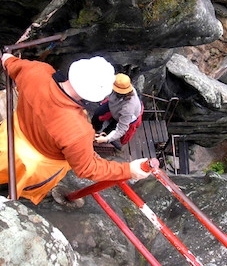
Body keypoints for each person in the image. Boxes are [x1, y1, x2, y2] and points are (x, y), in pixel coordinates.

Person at [0, 53, 150, 205]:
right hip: (38, 165)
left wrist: (7, 58)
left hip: (10, 137)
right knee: (22, 186)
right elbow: (87, 168)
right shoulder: (79, 130)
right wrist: (128, 169)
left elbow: (12, 64)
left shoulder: (37, 72)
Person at [92, 73, 144, 147]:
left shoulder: (129, 107)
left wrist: (106, 139)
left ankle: (104, 136)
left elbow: (121, 129)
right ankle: (96, 129)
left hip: (126, 116)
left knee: (112, 128)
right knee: (98, 114)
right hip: (115, 104)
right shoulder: (125, 88)